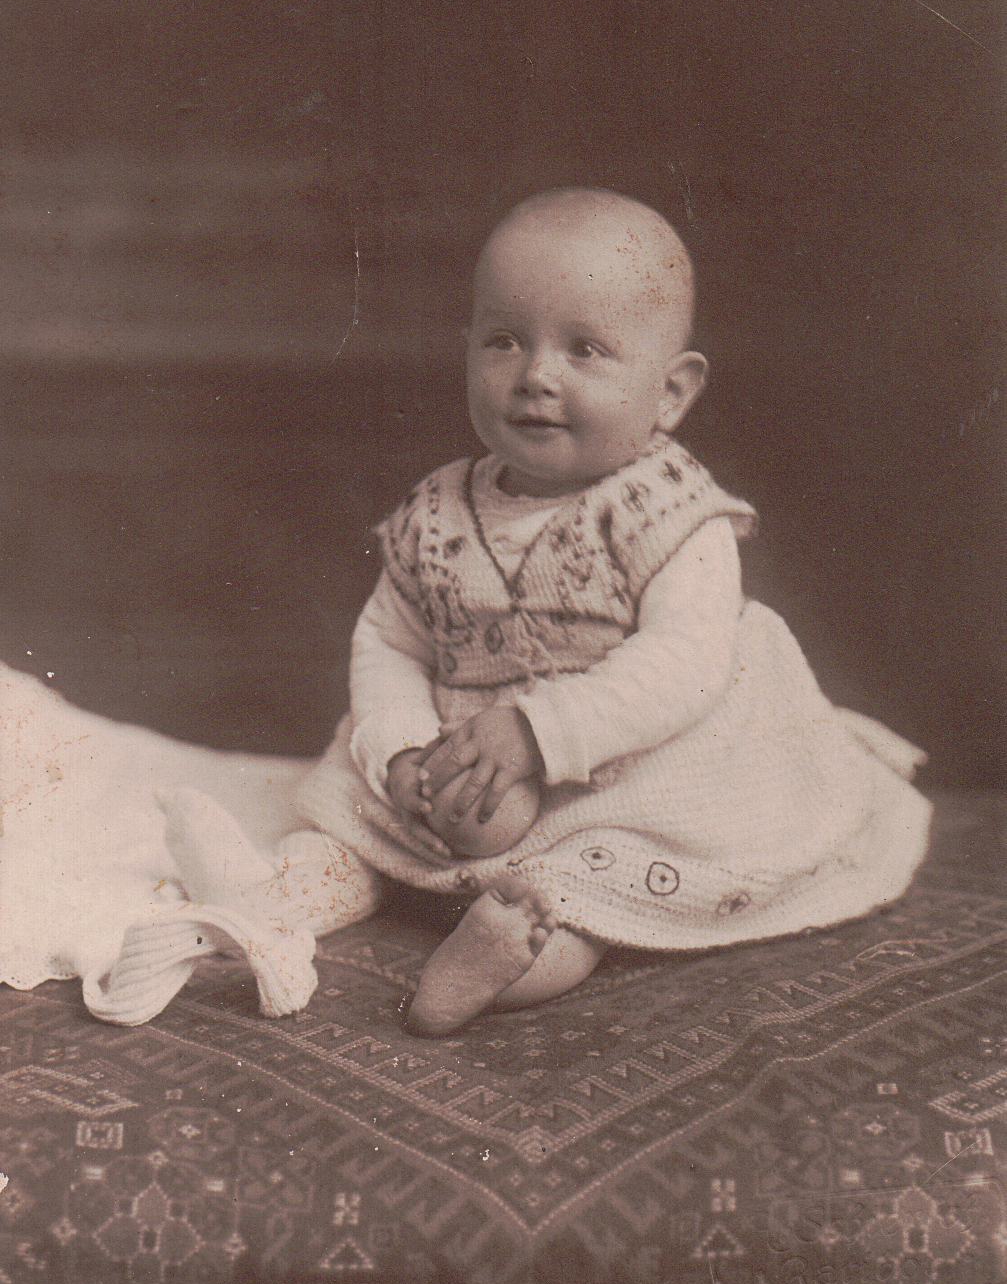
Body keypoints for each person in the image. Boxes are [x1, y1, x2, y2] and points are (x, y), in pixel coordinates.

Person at [92, 187, 931, 1034]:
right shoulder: (437, 514)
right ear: (467, 353)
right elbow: (390, 643)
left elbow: (684, 662)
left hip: (639, 765)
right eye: (503, 341)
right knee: (349, 828)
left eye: (586, 350)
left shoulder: (670, 512)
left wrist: (537, 732)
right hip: (467, 765)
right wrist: (401, 753)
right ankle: (272, 897)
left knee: (598, 883)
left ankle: (505, 952)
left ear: (670, 393)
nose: (535, 375)